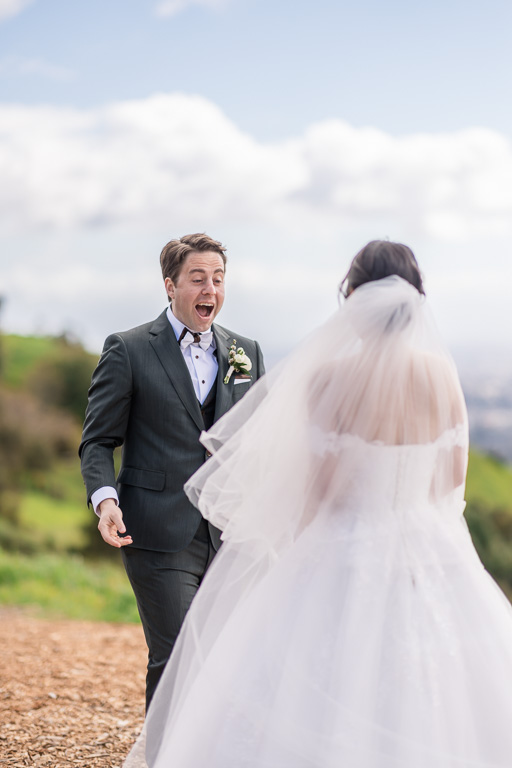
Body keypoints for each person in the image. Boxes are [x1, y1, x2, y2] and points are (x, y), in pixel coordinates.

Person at [124, 240, 512, 768]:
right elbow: (450, 485)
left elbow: (318, 494)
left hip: (345, 547)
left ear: (351, 297)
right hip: (430, 550)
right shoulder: (441, 377)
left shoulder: (329, 380)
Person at [79, 233, 265, 711]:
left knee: (227, 660)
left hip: (229, 534)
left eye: (218, 279)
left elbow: (258, 443)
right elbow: (98, 440)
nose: (211, 290)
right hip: (158, 530)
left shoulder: (246, 352)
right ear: (170, 285)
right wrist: (105, 501)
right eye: (198, 278)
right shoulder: (129, 349)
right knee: (178, 655)